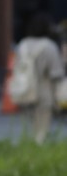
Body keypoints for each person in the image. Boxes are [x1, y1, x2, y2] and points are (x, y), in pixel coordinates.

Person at [16, 12, 65, 143]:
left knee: (30, 128)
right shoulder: (49, 46)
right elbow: (56, 73)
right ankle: (37, 155)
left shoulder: (23, 44)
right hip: (44, 92)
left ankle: (30, 152)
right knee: (42, 131)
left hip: (25, 90)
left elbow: (17, 67)